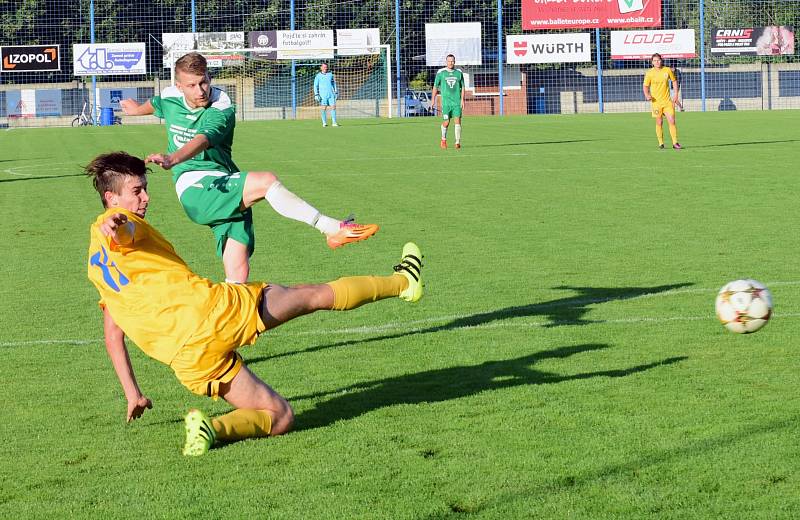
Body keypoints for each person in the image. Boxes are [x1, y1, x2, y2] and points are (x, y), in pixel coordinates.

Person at [85, 151, 424, 456]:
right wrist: (114, 221)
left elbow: (113, 333)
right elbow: (118, 226)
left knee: (279, 417)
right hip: (214, 314)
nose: (145, 198)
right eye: (136, 191)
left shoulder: (96, 265)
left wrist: (133, 394)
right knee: (311, 295)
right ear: (110, 197)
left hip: (187, 360)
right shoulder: (122, 225)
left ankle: (211, 429)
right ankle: (405, 283)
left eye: (145, 188)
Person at [120, 52, 376, 284]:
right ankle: (331, 228)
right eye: (191, 85)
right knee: (266, 181)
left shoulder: (221, 104)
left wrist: (174, 156)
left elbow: (204, 139)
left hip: (222, 182)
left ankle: (227, 322)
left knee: (238, 275)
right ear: (179, 86)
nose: (201, 90)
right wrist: (135, 110)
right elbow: (157, 104)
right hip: (194, 188)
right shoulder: (170, 96)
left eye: (204, 82)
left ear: (209, 77)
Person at [643, 53, 682, 150]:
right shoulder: (649, 73)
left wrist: (676, 94)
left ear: (661, 60)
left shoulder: (667, 70)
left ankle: (675, 143)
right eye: (655, 60)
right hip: (656, 102)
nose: (657, 62)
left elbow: (674, 81)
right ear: (652, 62)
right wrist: (647, 95)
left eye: (658, 60)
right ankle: (661, 143)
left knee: (672, 121)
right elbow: (645, 86)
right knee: (659, 122)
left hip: (667, 102)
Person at [431, 54, 465, 150]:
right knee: (446, 122)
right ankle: (443, 139)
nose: (451, 63)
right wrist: (433, 99)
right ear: (446, 62)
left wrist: (462, 100)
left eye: (452, 61)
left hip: (456, 102)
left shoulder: (458, 73)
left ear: (455, 61)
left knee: (457, 121)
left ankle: (457, 142)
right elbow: (435, 87)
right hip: (446, 103)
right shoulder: (441, 73)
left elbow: (463, 87)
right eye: (449, 61)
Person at [313, 63, 339, 127]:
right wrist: (316, 94)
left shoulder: (330, 75)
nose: (325, 68)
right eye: (324, 67)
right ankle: (324, 123)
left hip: (331, 94)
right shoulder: (318, 76)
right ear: (321, 68)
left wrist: (336, 92)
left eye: (326, 67)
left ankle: (334, 122)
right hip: (323, 95)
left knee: (333, 107)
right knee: (323, 108)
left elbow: (333, 84)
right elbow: (315, 86)